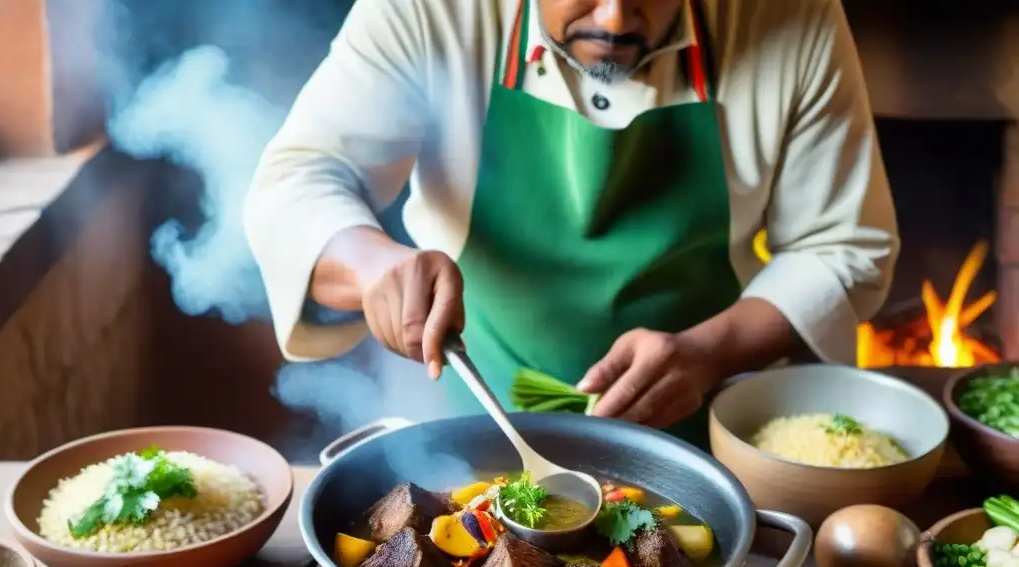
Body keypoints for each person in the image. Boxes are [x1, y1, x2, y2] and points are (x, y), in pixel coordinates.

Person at [245, 0, 898, 445]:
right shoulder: (429, 9)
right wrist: (374, 267)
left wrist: (705, 354)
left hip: (701, 431)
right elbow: (301, 178)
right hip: (462, 421)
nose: (615, 18)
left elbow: (844, 247)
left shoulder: (793, 14)